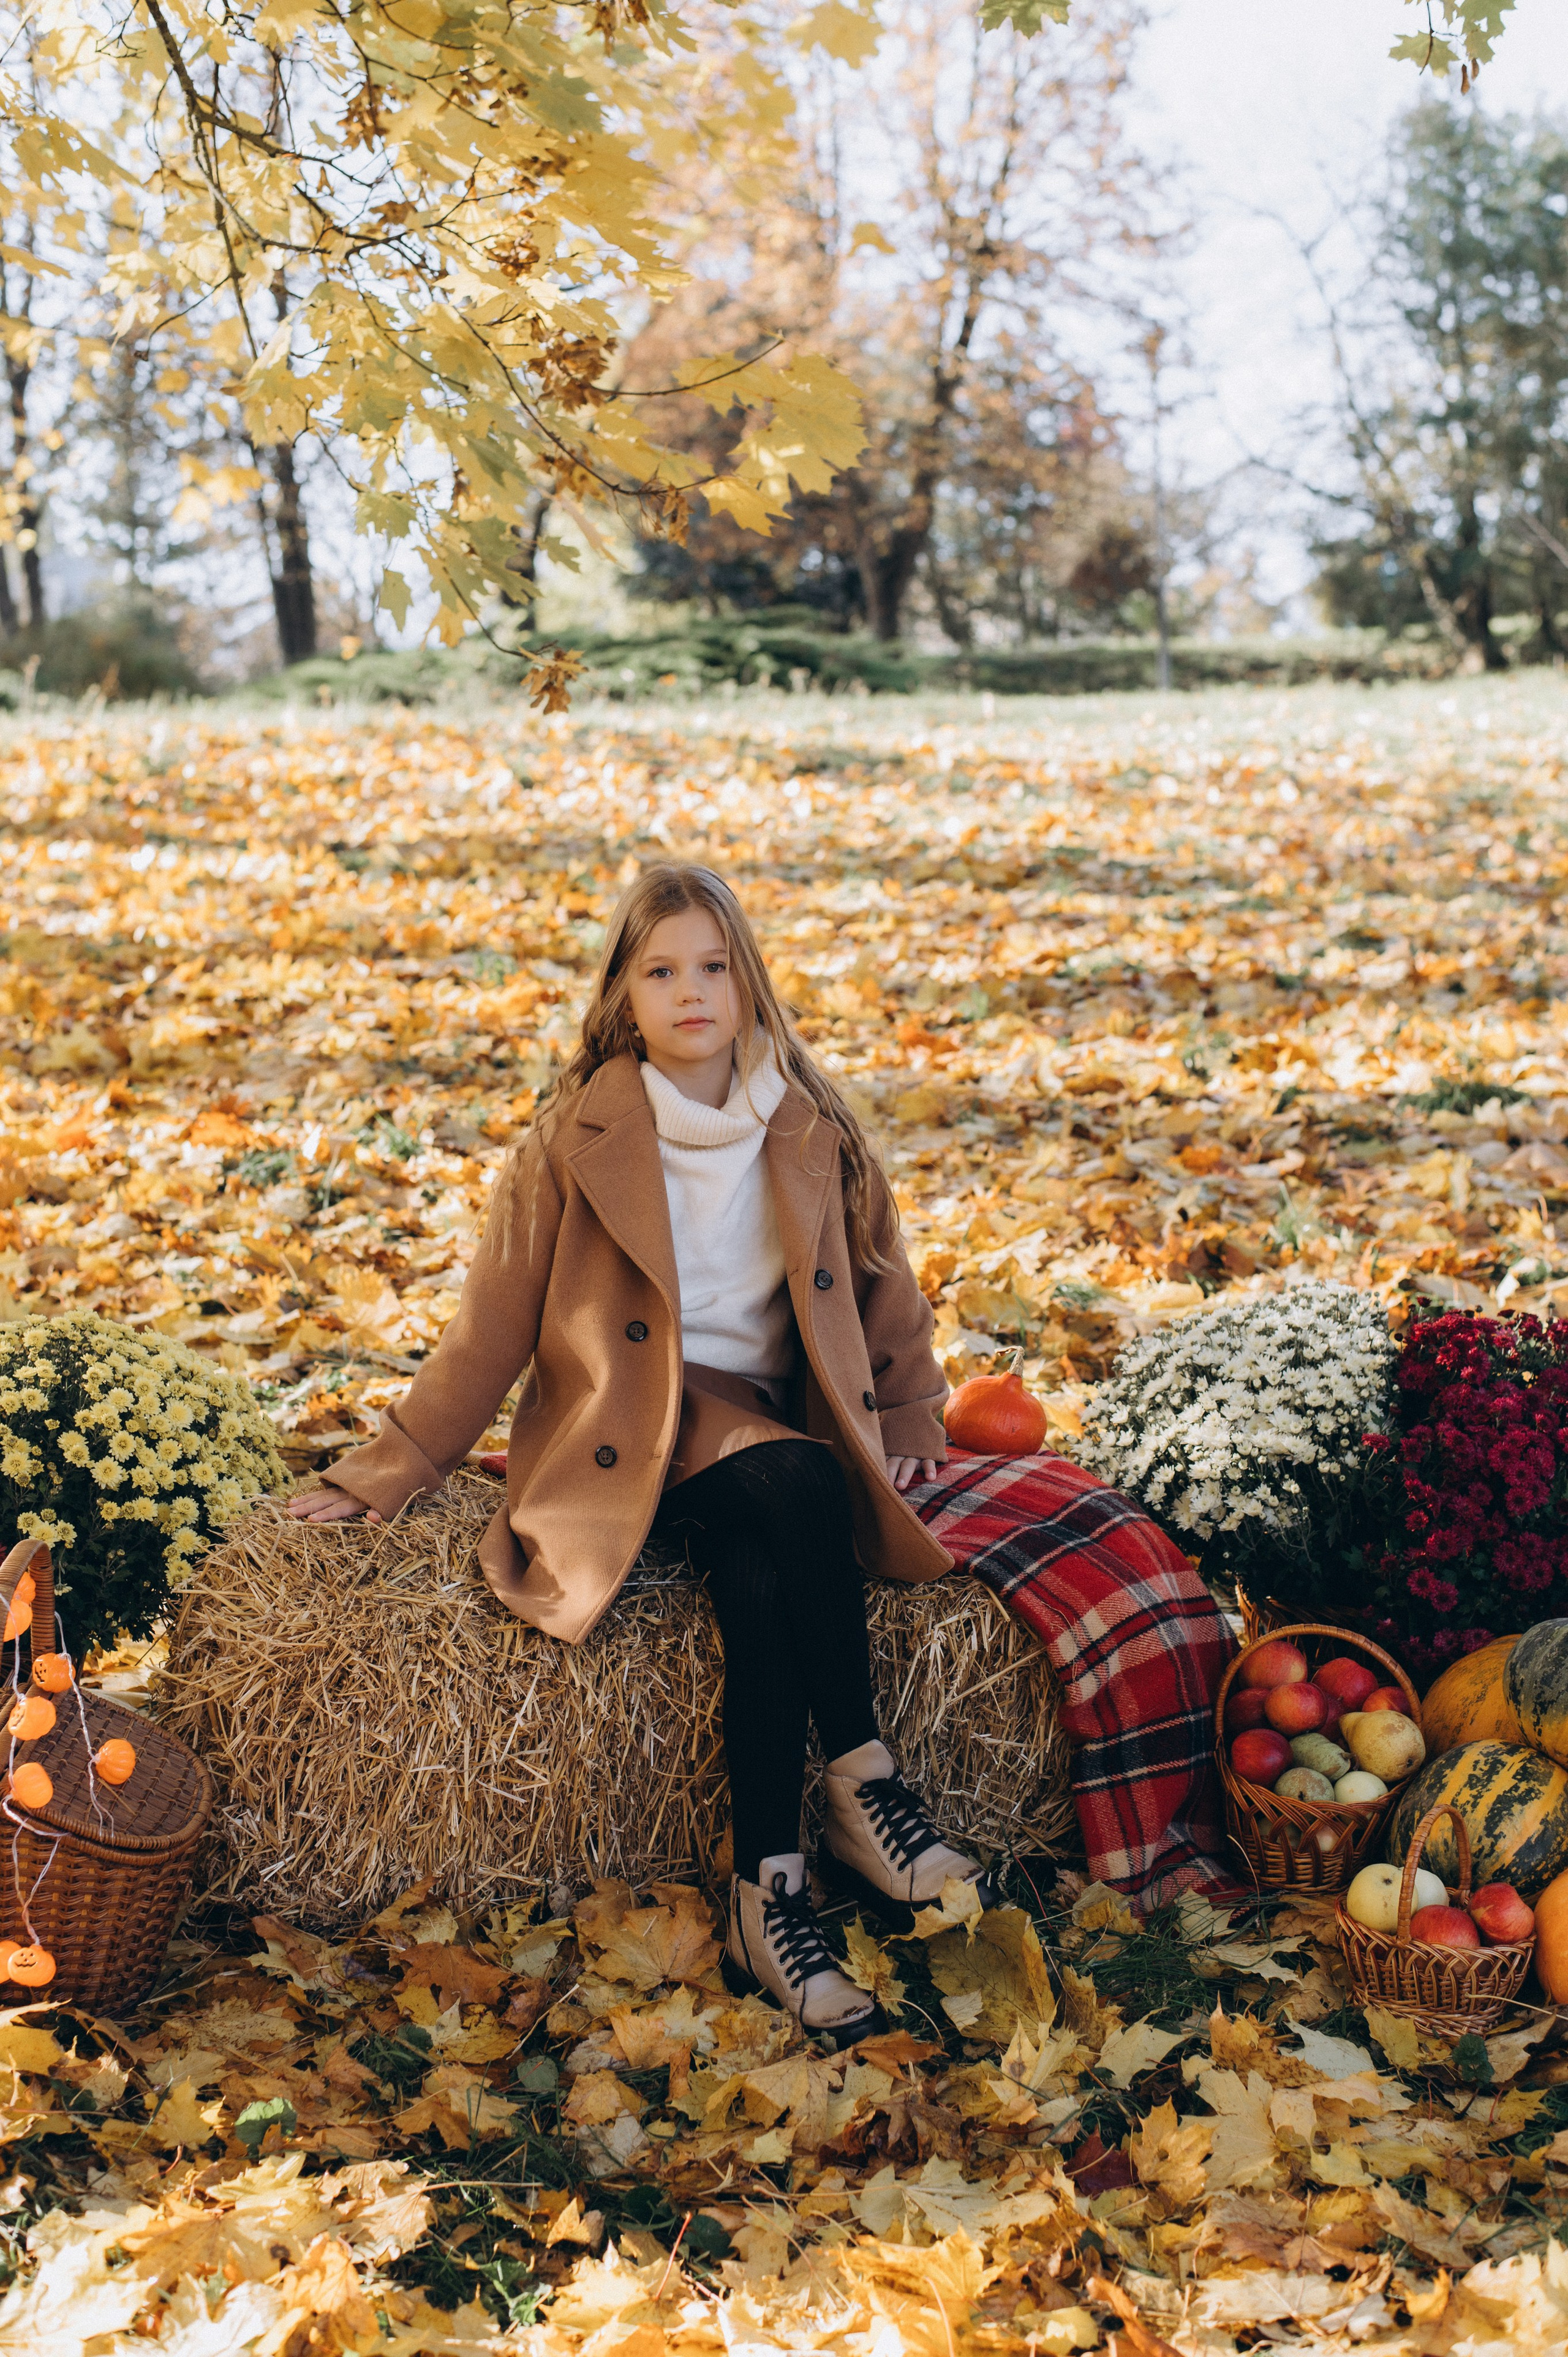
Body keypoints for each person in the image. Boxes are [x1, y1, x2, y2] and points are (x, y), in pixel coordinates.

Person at [287, 861, 995, 2046]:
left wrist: (912, 1414)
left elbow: (884, 1279)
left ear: (749, 981)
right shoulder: (576, 1137)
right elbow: (493, 1327)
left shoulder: (808, 1120)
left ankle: (767, 1897)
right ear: (622, 997)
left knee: (762, 1572)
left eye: (713, 967)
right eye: (660, 971)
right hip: (630, 1434)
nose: (691, 993)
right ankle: (867, 1778)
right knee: (798, 1484)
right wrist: (394, 1465)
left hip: (770, 1421)